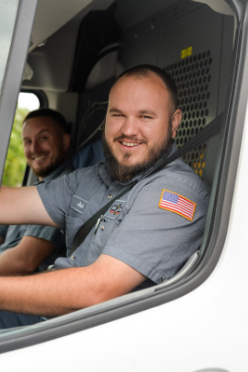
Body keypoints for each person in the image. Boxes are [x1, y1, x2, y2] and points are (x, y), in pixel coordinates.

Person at [0, 64, 209, 328]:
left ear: (174, 122)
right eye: (118, 114)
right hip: (53, 322)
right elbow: (9, 202)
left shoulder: (174, 192)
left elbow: (98, 289)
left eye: (145, 117)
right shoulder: (91, 178)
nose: (129, 130)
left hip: (94, 339)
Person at [0, 108, 72, 275]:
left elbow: (24, 261)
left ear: (65, 141)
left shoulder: (63, 188)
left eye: (44, 138)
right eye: (27, 141)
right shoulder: (31, 190)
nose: (34, 148)